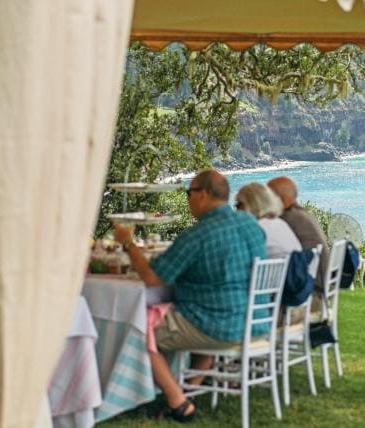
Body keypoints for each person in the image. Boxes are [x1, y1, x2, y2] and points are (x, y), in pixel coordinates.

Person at [114, 169, 266, 423]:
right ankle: (190, 389)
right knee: (205, 308)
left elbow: (153, 278)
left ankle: (178, 401)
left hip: (219, 327)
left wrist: (128, 243)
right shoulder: (250, 224)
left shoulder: (198, 235)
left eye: (189, 193)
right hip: (255, 323)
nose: (188, 199)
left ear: (203, 194)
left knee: (138, 326)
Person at [267, 176, 330, 290]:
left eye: (267, 196)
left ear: (279, 197)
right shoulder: (301, 213)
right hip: (319, 280)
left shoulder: (288, 218)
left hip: (310, 288)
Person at [235, 182, 301, 259]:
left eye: (238, 205)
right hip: (294, 266)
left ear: (252, 204)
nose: (236, 209)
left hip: (271, 266)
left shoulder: (255, 228)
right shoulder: (280, 223)